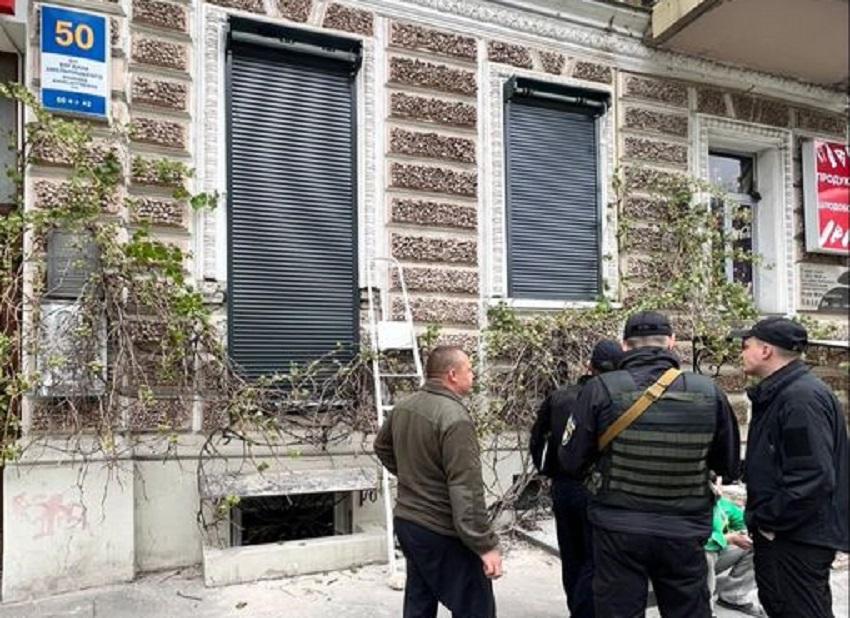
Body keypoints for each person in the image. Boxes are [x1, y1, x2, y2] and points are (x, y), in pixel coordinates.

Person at [559, 310, 740, 618]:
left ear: (624, 345)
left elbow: (571, 460)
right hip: (684, 530)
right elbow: (729, 465)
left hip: (618, 528)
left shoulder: (600, 389)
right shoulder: (708, 391)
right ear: (671, 342)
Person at [733, 317, 849, 617]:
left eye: (746, 346)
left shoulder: (799, 398)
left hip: (796, 538)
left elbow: (812, 476)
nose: (741, 353)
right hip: (794, 534)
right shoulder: (786, 393)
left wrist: (768, 521)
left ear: (766, 350)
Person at [374, 345, 502, 618]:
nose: (473, 376)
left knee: (420, 601)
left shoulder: (404, 406)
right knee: (476, 606)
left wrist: (412, 476)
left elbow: (381, 446)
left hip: (409, 523)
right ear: (452, 374)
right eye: (469, 370)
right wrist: (485, 545)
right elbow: (466, 488)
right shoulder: (455, 418)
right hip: (440, 528)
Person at [528, 339, 623, 618]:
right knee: (596, 558)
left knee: (572, 556)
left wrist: (547, 472)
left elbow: (538, 440)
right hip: (600, 488)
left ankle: (577, 608)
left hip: (564, 486)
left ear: (588, 366)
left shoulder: (560, 397)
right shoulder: (616, 400)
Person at [704, 474, 764, 617]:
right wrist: (728, 538)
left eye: (716, 482)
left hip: (717, 555)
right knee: (706, 554)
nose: (715, 488)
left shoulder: (723, 504)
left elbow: (743, 523)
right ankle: (705, 610)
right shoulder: (688, 507)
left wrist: (745, 533)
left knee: (757, 543)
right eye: (710, 484)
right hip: (690, 561)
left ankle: (734, 596)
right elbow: (694, 542)